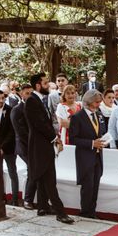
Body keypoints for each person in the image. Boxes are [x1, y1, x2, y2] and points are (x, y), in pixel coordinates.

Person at [25, 73, 74, 224]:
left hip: (43, 145)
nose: (49, 85)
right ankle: (60, 212)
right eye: (46, 83)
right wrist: (55, 138)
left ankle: (43, 206)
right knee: (49, 180)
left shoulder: (39, 100)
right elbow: (40, 124)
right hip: (40, 147)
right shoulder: (32, 101)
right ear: (38, 85)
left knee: (43, 177)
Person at [70, 90, 107, 218]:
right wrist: (92, 143)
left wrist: (104, 140)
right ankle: (85, 212)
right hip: (85, 158)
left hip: (98, 157)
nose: (99, 105)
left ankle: (92, 211)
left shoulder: (99, 115)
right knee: (88, 186)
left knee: (95, 185)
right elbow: (73, 139)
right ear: (89, 102)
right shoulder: (77, 117)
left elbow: (100, 132)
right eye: (97, 102)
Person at [10, 84, 36, 210]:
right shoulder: (16, 109)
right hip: (24, 146)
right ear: (21, 94)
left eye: (31, 93)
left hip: (34, 146)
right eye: (27, 93)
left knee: (35, 170)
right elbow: (20, 132)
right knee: (32, 169)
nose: (30, 96)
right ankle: (27, 200)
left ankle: (32, 199)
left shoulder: (35, 108)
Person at [0, 90, 18, 206]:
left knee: (12, 173)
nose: (0, 101)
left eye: (2, 98)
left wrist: (2, 147)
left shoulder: (10, 110)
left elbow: (12, 132)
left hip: (9, 148)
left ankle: (15, 199)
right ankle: (1, 197)